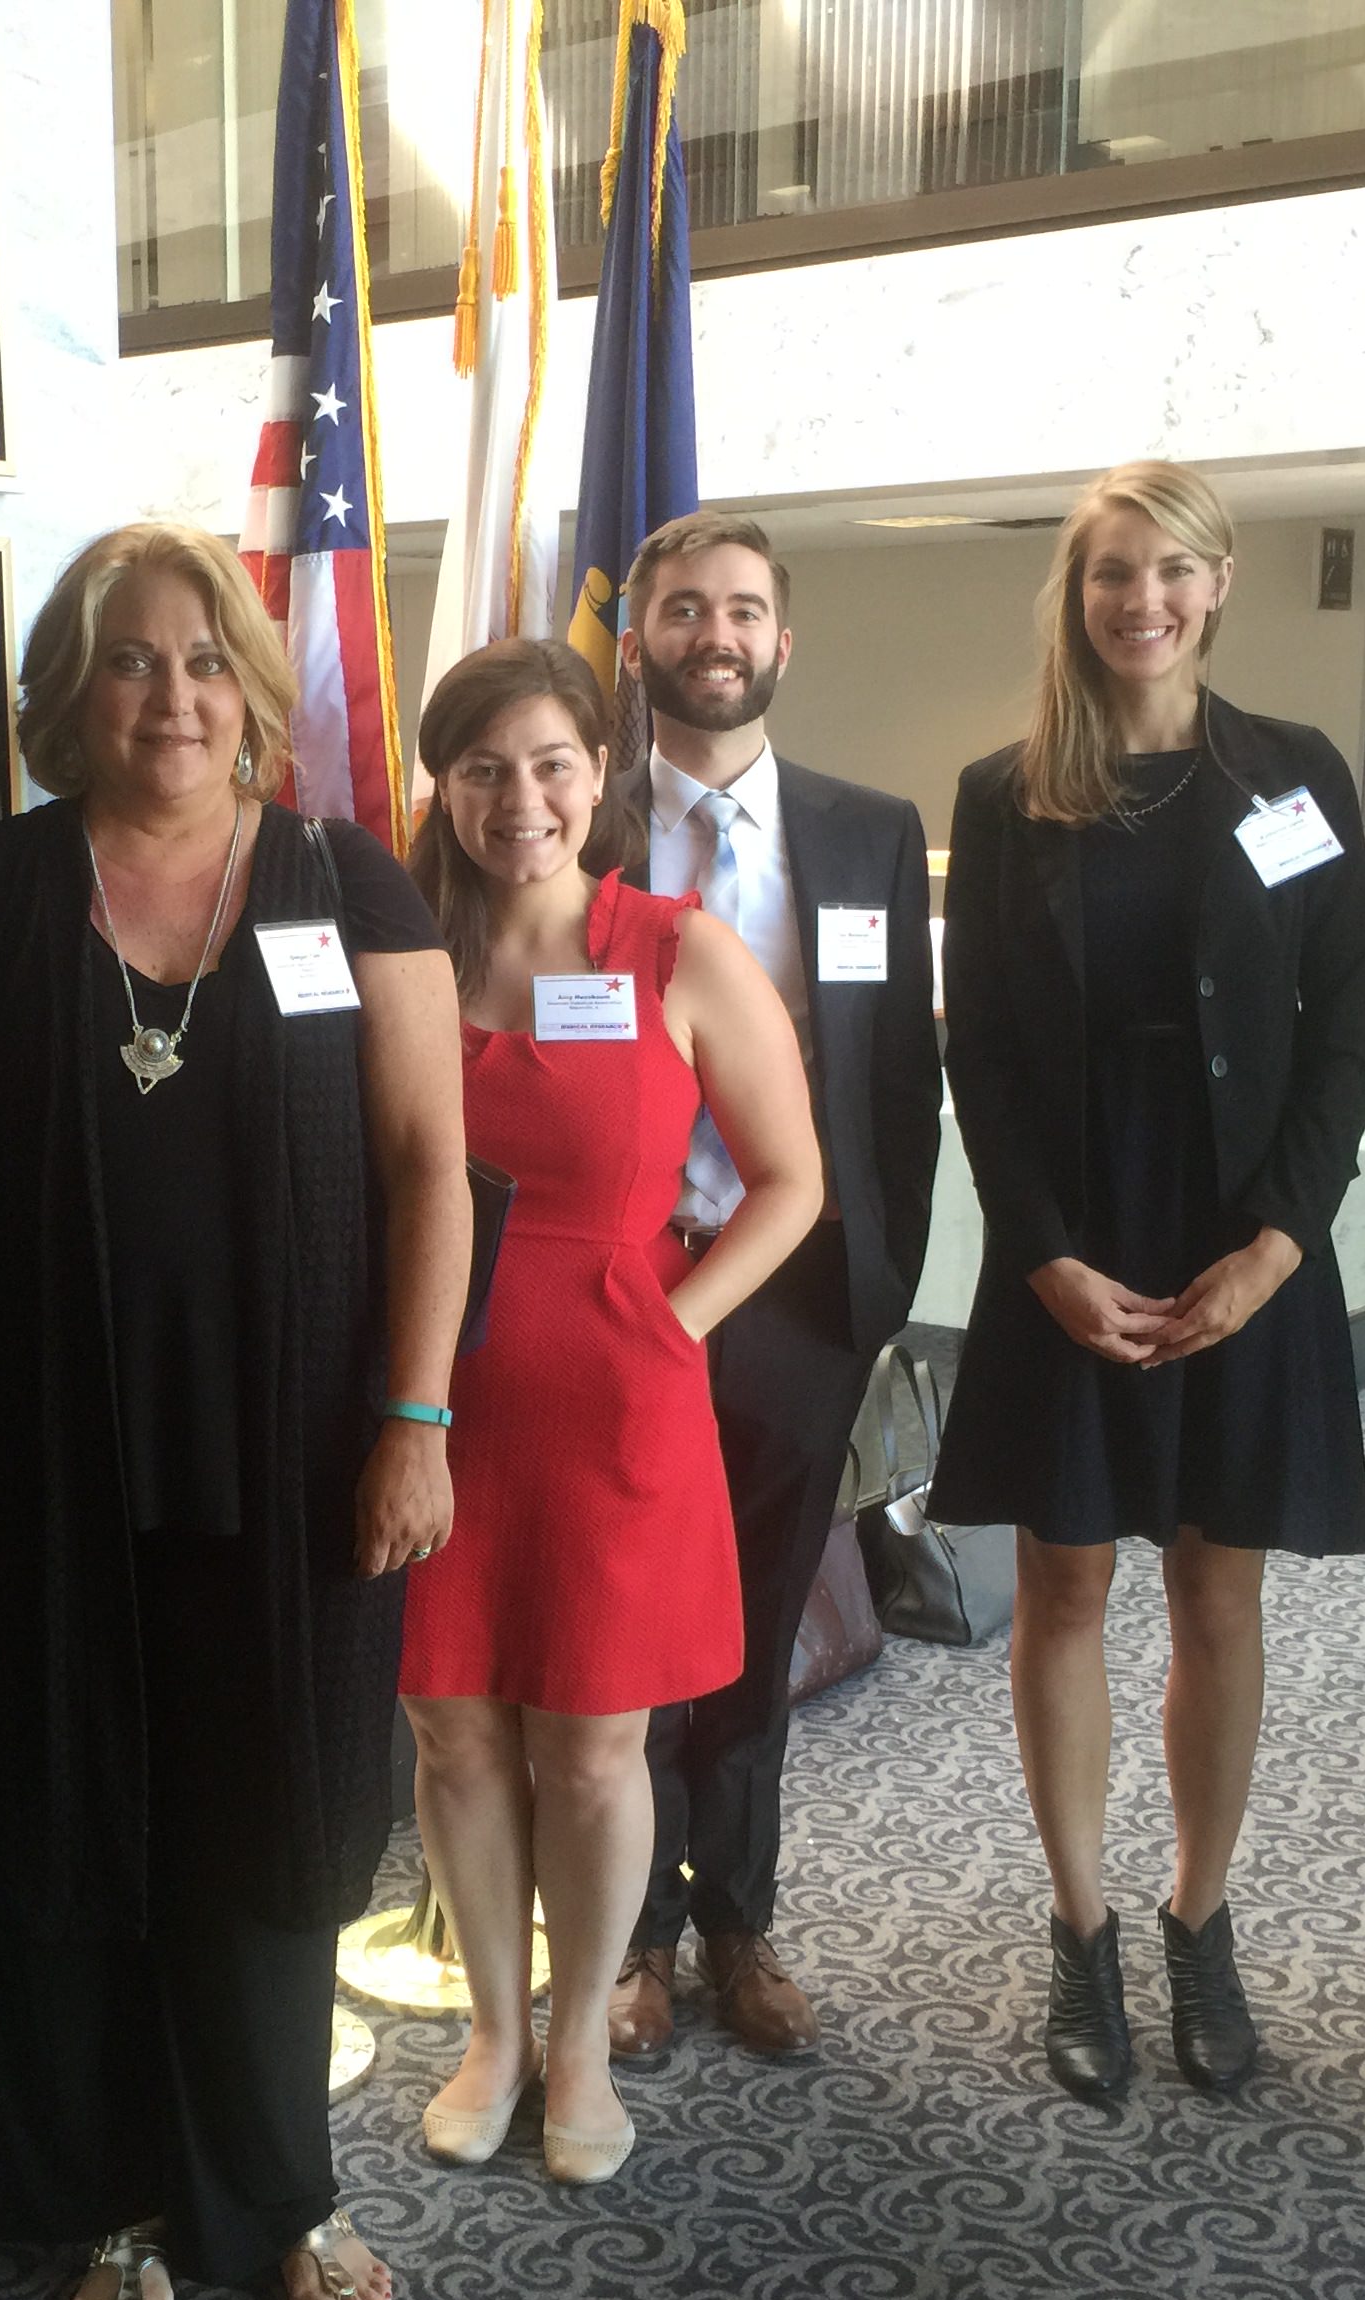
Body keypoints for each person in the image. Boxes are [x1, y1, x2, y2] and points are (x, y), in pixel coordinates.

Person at [0, 522, 469, 2300]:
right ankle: (108, 2193)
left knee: (265, 1818)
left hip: (292, 1458)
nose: (173, 696)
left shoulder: (345, 883)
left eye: (207, 661)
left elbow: (430, 1168)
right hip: (27, 1454)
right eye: (132, 660)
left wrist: (416, 1419)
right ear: (70, 689)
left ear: (258, 694)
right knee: (61, 1818)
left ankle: (276, 2189)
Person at [930, 460, 1365, 2102]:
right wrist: (1039, 1254)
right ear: (1078, 590)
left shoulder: (1297, 774)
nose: (1145, 601)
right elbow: (977, 1049)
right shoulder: (1002, 793)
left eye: (1174, 570)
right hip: (1074, 1239)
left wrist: (1279, 1243)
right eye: (1115, 572)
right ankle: (1082, 1929)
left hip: (1241, 1239)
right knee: (1065, 1589)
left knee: (1217, 1592)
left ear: (1223, 581)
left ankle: (1200, 1917)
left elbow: (1346, 1038)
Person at [398, 638, 820, 2183]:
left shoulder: (673, 951)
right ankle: (492, 2032)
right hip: (428, 1397)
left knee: (590, 1744)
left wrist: (675, 1319)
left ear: (602, 776)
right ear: (441, 786)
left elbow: (793, 1183)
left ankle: (579, 2040)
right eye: (486, 768)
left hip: (614, 1399)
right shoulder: (402, 952)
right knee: (451, 1735)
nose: (523, 799)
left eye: (553, 764)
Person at [604, 510, 943, 2065]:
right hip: (624, 1294)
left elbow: (904, 1085)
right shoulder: (576, 818)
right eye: (685, 609)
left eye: (742, 609)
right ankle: (628, 1942)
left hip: (802, 1299)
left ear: (783, 641)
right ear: (640, 639)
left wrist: (881, 1292)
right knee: (629, 1627)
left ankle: (738, 1922)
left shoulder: (870, 835)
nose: (715, 634)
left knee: (753, 1623)